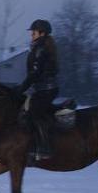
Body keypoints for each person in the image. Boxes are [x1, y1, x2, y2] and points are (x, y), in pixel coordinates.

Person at [17, 19, 59, 161]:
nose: (31, 35)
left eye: (33, 32)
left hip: (46, 89)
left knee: (34, 113)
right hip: (43, 89)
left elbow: (34, 74)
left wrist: (21, 88)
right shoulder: (40, 47)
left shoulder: (41, 49)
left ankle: (44, 148)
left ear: (42, 33)